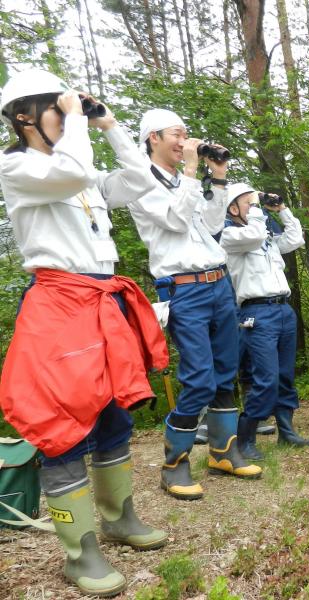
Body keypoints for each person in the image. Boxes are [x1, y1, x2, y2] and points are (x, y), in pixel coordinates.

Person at [0, 68, 168, 596]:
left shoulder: (78, 162)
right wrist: (75, 121)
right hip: (58, 302)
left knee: (114, 414)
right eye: (57, 106)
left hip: (101, 299)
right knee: (66, 425)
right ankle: (80, 552)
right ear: (24, 116)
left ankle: (119, 517)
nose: (68, 112)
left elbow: (141, 182)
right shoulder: (16, 165)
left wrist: (110, 126)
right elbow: (72, 175)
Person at [128, 108, 261, 501]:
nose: (185, 140)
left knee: (224, 372)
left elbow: (214, 223)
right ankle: (175, 463)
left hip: (219, 282)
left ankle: (223, 451)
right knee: (200, 377)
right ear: (153, 137)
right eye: (177, 133)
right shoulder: (141, 183)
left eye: (186, 134)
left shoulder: (182, 179)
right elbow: (174, 220)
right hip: (184, 290)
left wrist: (217, 176)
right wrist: (190, 169)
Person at [219, 183, 309, 456]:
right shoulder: (230, 236)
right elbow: (254, 234)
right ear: (232, 208)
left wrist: (282, 210)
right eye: (247, 202)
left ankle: (286, 431)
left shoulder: (265, 236)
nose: (253, 206)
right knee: (267, 378)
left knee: (285, 375)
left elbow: (295, 239)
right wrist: (259, 207)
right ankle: (246, 439)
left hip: (283, 309)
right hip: (256, 312)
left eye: (253, 202)